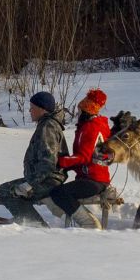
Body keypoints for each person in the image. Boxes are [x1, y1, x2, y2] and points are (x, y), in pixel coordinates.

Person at [0, 91, 68, 226]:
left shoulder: (48, 126)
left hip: (48, 180)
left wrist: (30, 184)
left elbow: (48, 162)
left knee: (5, 191)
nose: (30, 111)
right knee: (13, 190)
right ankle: (28, 219)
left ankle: (33, 225)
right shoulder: (46, 124)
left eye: (32, 108)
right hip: (45, 178)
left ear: (42, 109)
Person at [46, 89, 112, 228]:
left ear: (86, 110)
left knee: (58, 193)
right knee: (62, 193)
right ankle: (84, 218)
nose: (78, 113)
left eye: (80, 110)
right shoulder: (96, 125)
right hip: (95, 178)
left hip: (93, 180)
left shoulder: (91, 127)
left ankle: (88, 222)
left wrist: (61, 162)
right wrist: (66, 164)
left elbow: (84, 157)